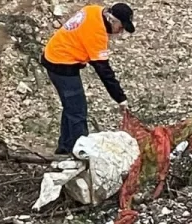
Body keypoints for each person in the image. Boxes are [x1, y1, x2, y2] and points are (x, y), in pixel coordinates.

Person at [41, 3, 135, 155]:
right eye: (121, 26)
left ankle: (65, 148)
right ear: (112, 20)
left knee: (70, 107)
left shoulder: (93, 10)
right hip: (61, 64)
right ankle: (80, 154)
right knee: (78, 112)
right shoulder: (97, 34)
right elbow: (104, 71)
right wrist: (120, 98)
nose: (120, 31)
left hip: (53, 54)